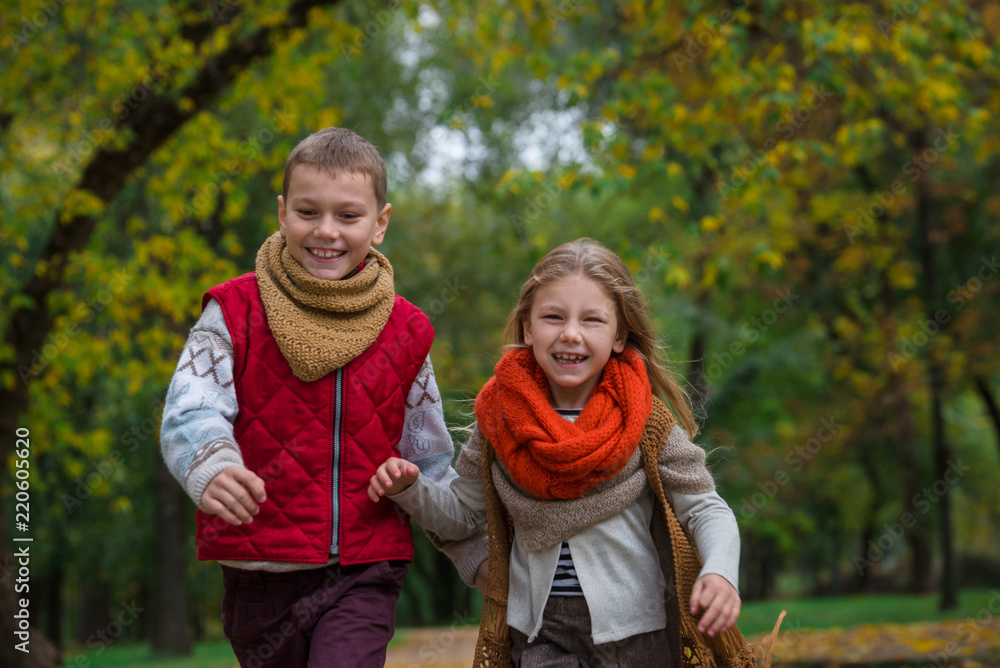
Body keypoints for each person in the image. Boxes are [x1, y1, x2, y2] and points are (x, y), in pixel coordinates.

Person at [368, 238, 756, 667]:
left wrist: (720, 571)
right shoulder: (500, 419)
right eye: (553, 317)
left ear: (619, 335)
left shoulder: (645, 420)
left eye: (592, 320)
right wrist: (411, 489)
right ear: (528, 327)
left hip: (637, 632)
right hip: (539, 631)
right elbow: (462, 517)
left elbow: (704, 508)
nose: (571, 333)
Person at [160, 127, 456, 668]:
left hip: (364, 567)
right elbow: (191, 407)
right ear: (282, 213)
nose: (326, 231)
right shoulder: (234, 311)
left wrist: (466, 534)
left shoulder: (406, 330)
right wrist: (211, 464)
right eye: (307, 212)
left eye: (348, 215)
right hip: (259, 571)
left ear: (380, 223)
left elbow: (431, 453)